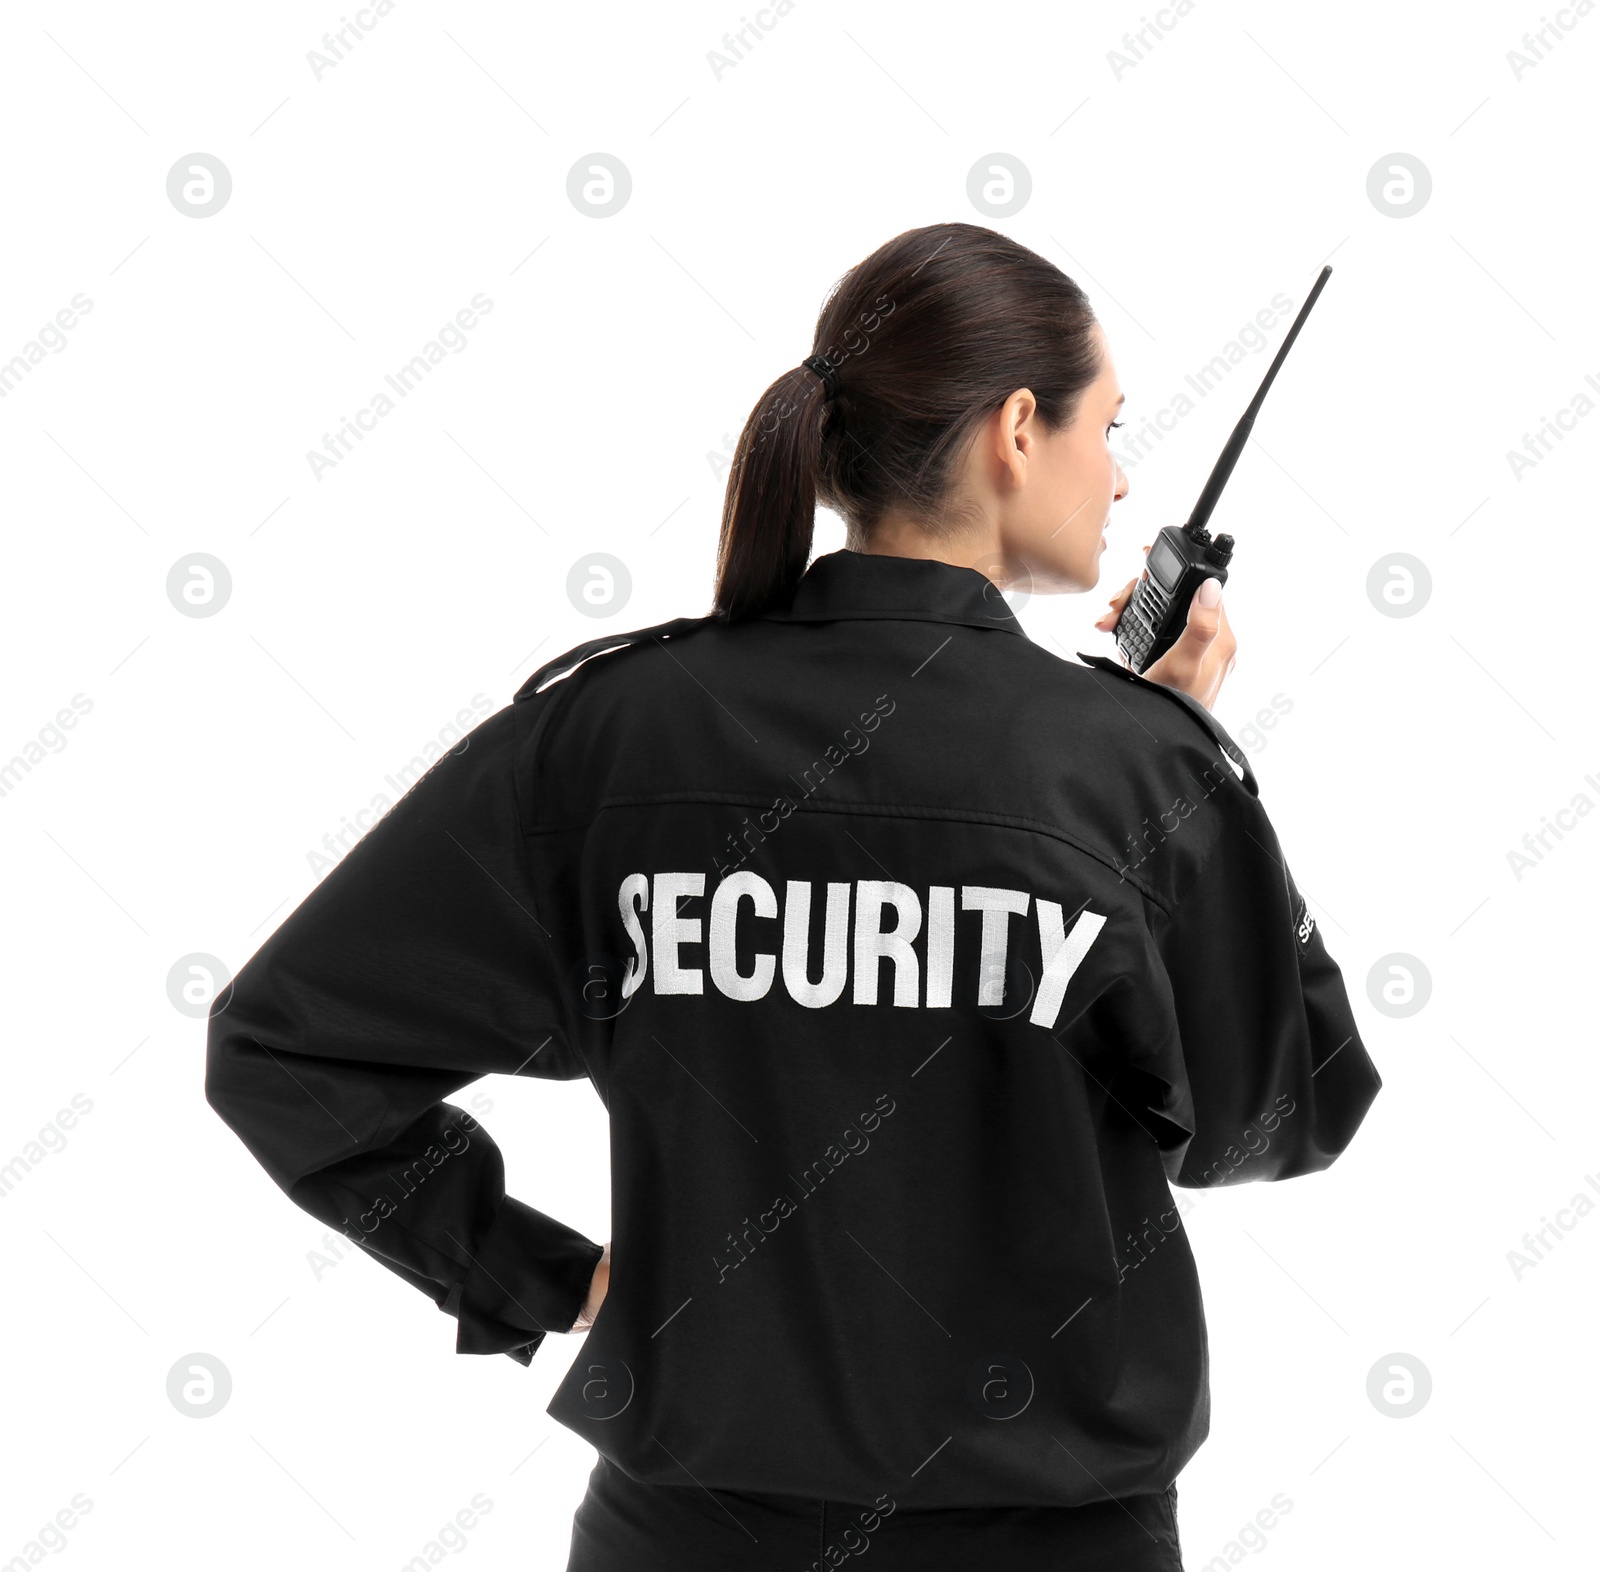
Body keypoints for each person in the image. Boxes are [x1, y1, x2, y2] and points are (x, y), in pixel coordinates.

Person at [205, 221, 1381, 1572]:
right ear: (1014, 430)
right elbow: (1279, 1119)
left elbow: (282, 1049)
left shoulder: (610, 734)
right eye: (1110, 430)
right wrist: (1192, 765)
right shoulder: (1123, 768)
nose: (1119, 482)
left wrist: (542, 1277)